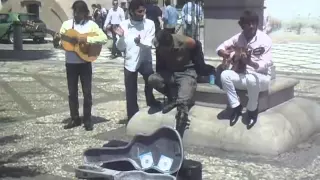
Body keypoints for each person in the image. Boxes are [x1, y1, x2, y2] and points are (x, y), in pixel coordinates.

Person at [53, 0, 108, 131]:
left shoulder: (91, 25)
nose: (77, 15)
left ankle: (87, 119)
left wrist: (86, 39)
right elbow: (61, 45)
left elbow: (104, 38)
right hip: (70, 64)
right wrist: (56, 41)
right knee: (72, 93)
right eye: (75, 12)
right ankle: (75, 118)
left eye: (80, 13)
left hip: (85, 62)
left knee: (87, 92)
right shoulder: (66, 25)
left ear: (85, 13)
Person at [216, 10, 273, 129]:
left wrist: (251, 62)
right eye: (248, 23)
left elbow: (266, 63)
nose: (251, 26)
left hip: (260, 78)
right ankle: (236, 107)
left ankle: (252, 110)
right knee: (225, 75)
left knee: (252, 79)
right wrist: (225, 54)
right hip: (243, 77)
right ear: (242, 25)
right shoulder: (238, 37)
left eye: (254, 23)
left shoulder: (265, 40)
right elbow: (220, 47)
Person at [113, 0, 161, 121]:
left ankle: (151, 100)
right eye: (139, 11)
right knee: (130, 90)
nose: (142, 13)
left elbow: (150, 42)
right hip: (130, 61)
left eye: (144, 11)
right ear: (132, 12)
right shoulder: (124, 25)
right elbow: (120, 47)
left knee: (151, 82)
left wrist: (140, 42)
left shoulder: (149, 24)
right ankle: (132, 115)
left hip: (145, 59)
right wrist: (122, 36)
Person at [148, 29, 198, 136]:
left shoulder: (185, 41)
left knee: (183, 102)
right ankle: (173, 97)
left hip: (185, 72)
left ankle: (179, 130)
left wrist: (201, 68)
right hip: (169, 72)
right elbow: (159, 62)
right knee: (152, 79)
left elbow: (197, 46)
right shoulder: (157, 43)